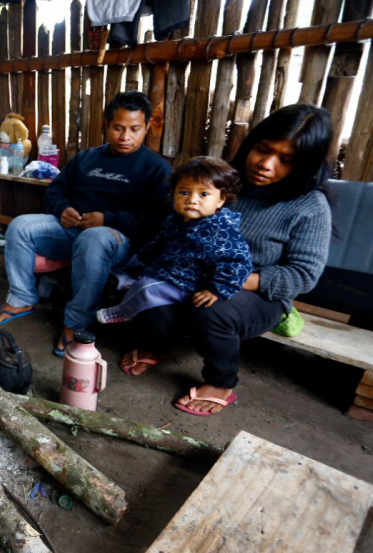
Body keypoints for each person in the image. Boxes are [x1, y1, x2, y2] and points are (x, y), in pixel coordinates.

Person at [120, 103, 333, 416]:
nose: (266, 165)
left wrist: (225, 283)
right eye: (263, 150)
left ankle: (221, 381)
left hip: (258, 293)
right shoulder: (220, 182)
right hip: (193, 277)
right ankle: (158, 346)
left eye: (285, 160)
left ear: (304, 165)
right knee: (150, 292)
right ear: (251, 143)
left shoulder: (310, 207)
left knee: (211, 308)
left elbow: (302, 275)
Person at [0, 91, 173, 357]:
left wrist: (108, 219)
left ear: (147, 128)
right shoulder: (87, 158)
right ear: (107, 125)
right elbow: (54, 192)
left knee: (94, 238)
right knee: (21, 226)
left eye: (134, 129)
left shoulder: (157, 169)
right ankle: (22, 299)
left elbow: (158, 221)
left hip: (117, 241)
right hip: (71, 229)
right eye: (118, 128)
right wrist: (63, 209)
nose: (125, 136)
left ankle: (76, 323)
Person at [97, 156, 252, 326]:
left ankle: (123, 312)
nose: (192, 200)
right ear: (174, 194)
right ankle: (124, 286)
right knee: (123, 271)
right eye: (184, 192)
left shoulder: (221, 232)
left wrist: (216, 290)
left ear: (221, 199)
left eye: (204, 194)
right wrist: (142, 258)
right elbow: (160, 242)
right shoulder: (175, 220)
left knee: (147, 288)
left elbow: (238, 264)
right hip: (165, 269)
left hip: (187, 283)